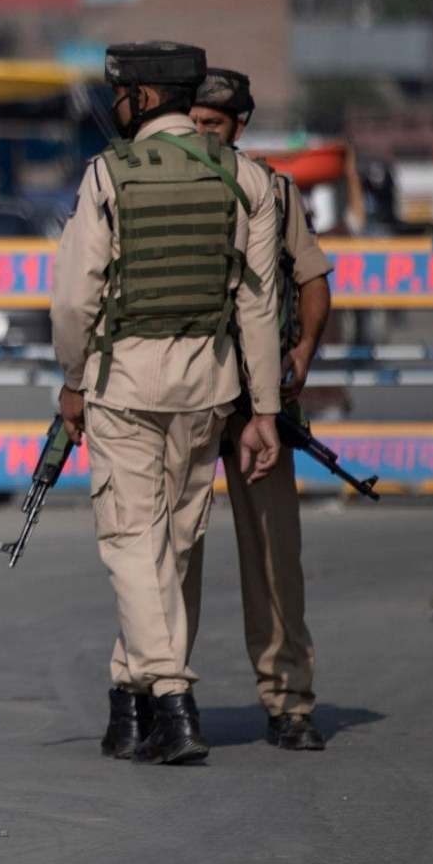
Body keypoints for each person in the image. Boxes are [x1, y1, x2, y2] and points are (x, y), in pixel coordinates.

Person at [49, 40, 284, 767]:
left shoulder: (108, 174)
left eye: (121, 94)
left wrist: (72, 377)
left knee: (130, 540)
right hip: (207, 384)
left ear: (144, 98)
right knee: (172, 546)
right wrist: (266, 409)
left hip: (124, 382)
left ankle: (172, 702)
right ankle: (128, 703)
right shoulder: (246, 177)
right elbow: (259, 302)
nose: (116, 107)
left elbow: (74, 295)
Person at [185, 68, 331, 752]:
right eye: (192, 121)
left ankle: (288, 698)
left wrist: (298, 360)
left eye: (212, 124)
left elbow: (312, 282)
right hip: (184, 393)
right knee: (169, 551)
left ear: (238, 125)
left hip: (256, 401)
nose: (199, 135)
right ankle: (160, 693)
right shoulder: (170, 188)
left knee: (274, 554)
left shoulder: (270, 189)